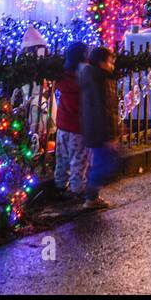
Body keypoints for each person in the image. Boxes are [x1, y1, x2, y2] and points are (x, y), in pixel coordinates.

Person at [78, 46, 121, 210]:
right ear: (101, 63)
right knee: (103, 165)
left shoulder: (96, 78)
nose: (112, 66)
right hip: (100, 132)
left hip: (96, 130)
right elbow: (104, 110)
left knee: (103, 162)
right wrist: (109, 136)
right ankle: (90, 196)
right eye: (110, 62)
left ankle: (92, 194)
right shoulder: (99, 81)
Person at [53, 42, 90, 201]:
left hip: (62, 125)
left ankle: (60, 185)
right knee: (78, 159)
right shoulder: (83, 78)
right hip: (78, 126)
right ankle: (77, 189)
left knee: (62, 157)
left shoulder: (62, 76)